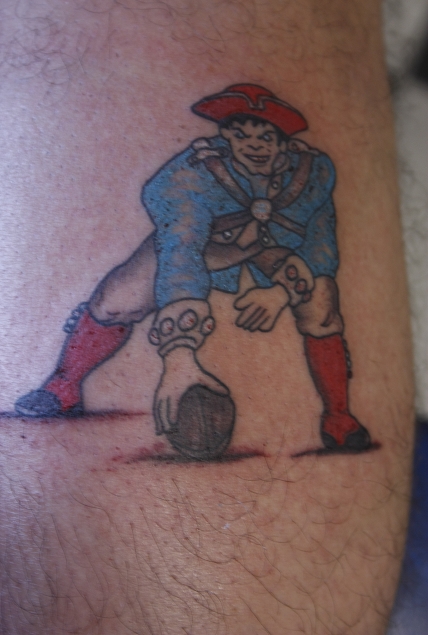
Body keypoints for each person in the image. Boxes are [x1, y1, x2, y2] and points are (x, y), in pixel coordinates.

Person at [15, 83, 370, 456]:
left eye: (266, 137)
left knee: (322, 302)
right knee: (116, 301)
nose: (254, 146)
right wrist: (179, 357)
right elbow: (181, 250)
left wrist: (280, 294)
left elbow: (320, 249)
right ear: (226, 138)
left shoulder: (313, 174)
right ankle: (64, 385)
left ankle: (339, 417)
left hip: (275, 252)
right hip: (206, 246)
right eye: (241, 135)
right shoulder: (190, 174)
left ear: (283, 144)